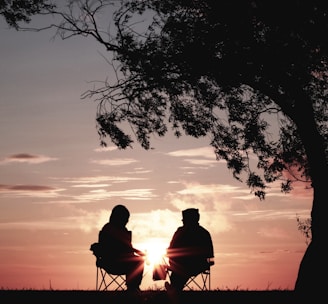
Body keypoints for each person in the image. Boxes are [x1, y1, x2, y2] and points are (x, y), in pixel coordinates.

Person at [97, 204, 145, 292]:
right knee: (139, 261)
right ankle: (133, 288)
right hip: (112, 262)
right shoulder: (110, 229)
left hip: (119, 262)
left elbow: (128, 249)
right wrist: (139, 253)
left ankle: (133, 287)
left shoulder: (120, 229)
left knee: (138, 261)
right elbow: (123, 247)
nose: (127, 221)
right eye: (126, 218)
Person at [165, 208, 214, 292]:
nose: (182, 222)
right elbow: (210, 254)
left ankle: (174, 289)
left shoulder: (180, 232)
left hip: (183, 264)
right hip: (200, 265)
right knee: (180, 271)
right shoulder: (204, 232)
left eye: (183, 220)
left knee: (180, 271)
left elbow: (170, 250)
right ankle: (175, 288)